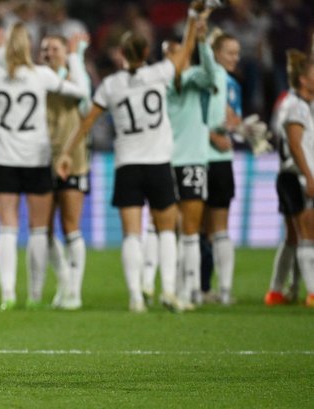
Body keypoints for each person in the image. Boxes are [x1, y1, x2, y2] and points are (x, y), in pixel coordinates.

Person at [57, 2, 208, 313]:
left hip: (127, 165)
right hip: (158, 163)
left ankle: (136, 298)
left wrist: (65, 152)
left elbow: (87, 121)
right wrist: (193, 19)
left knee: (132, 233)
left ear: (122, 55)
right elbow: (186, 51)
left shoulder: (112, 84)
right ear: (145, 52)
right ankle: (168, 290)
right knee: (166, 229)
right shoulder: (159, 73)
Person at [0, 22, 89, 310]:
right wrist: (75, 57)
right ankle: (35, 295)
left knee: (7, 228)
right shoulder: (41, 75)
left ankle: (7, 294)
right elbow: (79, 91)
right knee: (39, 230)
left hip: (5, 159)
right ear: (29, 46)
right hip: (37, 159)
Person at [142, 14, 218, 309]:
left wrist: (202, 44)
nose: (167, 57)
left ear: (183, 53)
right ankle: (150, 283)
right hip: (162, 160)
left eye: (172, 51)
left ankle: (191, 289)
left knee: (190, 229)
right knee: (159, 225)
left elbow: (212, 76)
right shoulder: (157, 82)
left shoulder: (196, 77)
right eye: (163, 53)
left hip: (193, 160)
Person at [40, 32, 91, 310]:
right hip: (42, 159)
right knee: (44, 229)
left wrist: (77, 57)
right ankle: (63, 281)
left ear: (64, 52)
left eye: (54, 48)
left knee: (70, 225)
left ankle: (75, 289)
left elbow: (87, 102)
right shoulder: (36, 79)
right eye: (45, 49)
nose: (48, 53)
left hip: (73, 157)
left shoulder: (77, 78)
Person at [264, 50, 314, 308]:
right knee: (307, 234)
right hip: (296, 176)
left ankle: (280, 290)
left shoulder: (299, 103)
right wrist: (309, 176)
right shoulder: (295, 106)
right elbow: (295, 145)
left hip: (290, 176)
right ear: (303, 79)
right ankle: (312, 292)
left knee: (294, 237)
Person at [199, 31, 242, 305]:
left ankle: (210, 290)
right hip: (201, 157)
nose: (235, 58)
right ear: (215, 53)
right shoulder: (206, 79)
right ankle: (205, 288)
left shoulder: (232, 85)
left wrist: (236, 130)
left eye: (237, 53)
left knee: (210, 229)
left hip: (213, 161)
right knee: (206, 229)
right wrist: (213, 135)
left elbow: (234, 122)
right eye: (229, 52)